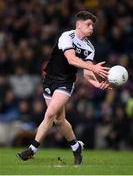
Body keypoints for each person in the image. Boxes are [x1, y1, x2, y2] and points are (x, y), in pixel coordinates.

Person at [17, 11, 111, 165]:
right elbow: (71, 59)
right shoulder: (67, 36)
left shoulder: (90, 47)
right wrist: (92, 67)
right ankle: (76, 147)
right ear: (78, 25)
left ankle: (31, 150)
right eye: (88, 24)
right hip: (49, 80)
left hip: (66, 83)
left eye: (92, 25)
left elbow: (87, 73)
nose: (91, 28)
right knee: (59, 120)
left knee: (50, 113)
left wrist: (96, 83)